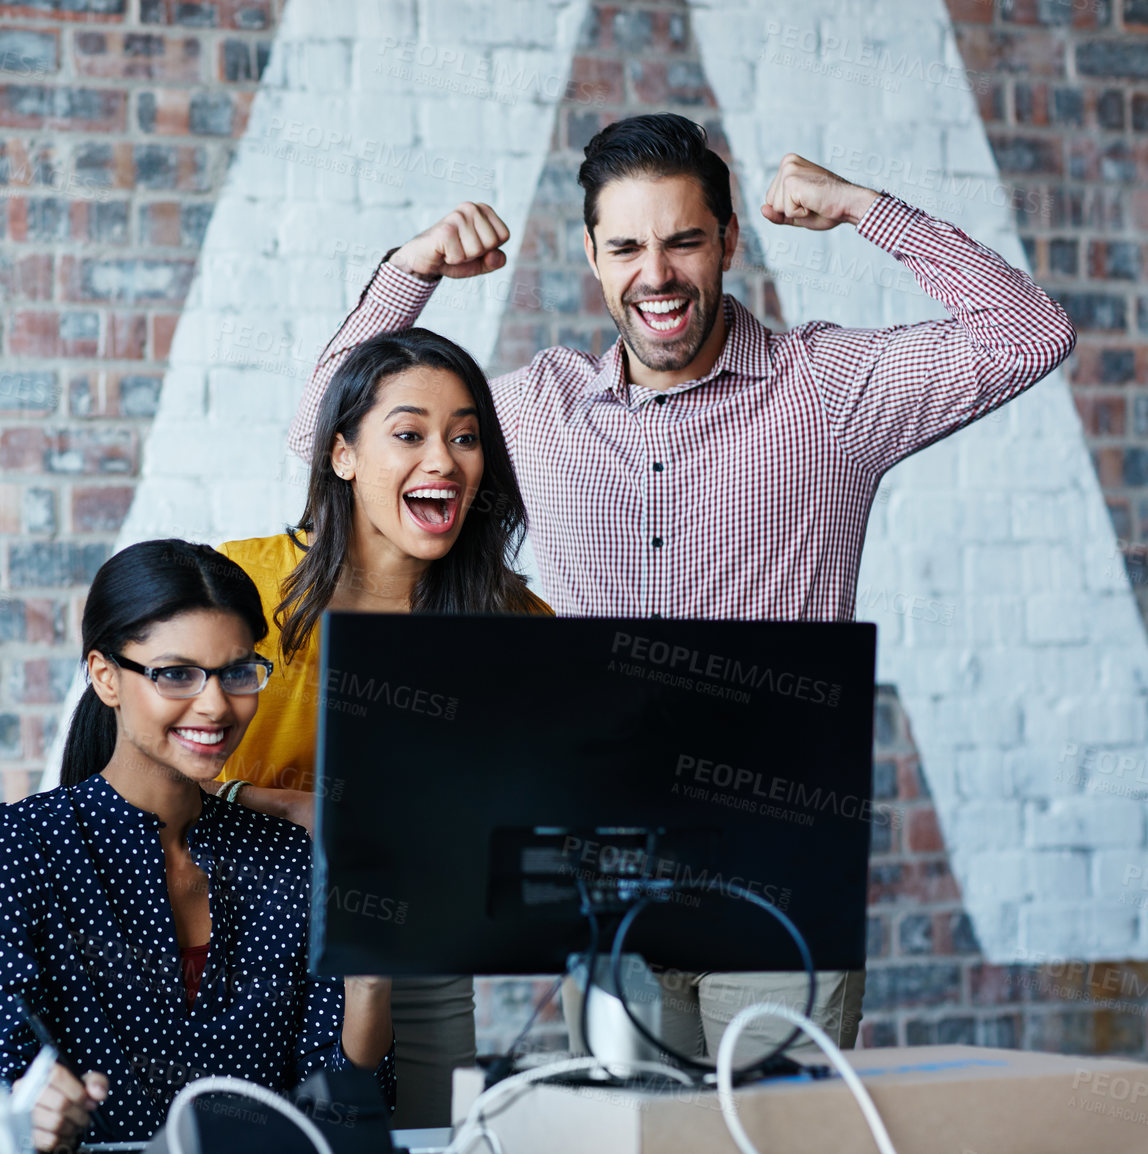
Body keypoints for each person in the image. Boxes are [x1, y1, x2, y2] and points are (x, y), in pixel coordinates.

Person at [290, 114, 1076, 1061]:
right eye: (625, 246)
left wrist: (864, 208)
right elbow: (329, 435)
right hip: (603, 875)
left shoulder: (828, 389)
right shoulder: (532, 410)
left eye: (683, 241)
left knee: (772, 1139)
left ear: (729, 241)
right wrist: (411, 268)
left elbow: (1031, 333)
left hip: (774, 874)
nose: (655, 275)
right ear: (591, 254)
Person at [0, 540, 394, 1150]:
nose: (214, 705)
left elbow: (345, 1102)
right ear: (106, 677)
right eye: (176, 674)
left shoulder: (290, 857)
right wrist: (26, 1110)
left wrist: (370, 982)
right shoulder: (26, 848)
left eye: (237, 672)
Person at [213, 327, 550, 1127]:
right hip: (247, 940)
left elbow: (544, 809)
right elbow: (135, 771)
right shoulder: (240, 584)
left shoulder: (513, 621)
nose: (443, 459)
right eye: (409, 434)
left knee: (434, 1140)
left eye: (464, 437)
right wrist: (291, 806)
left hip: (413, 953)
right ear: (342, 455)